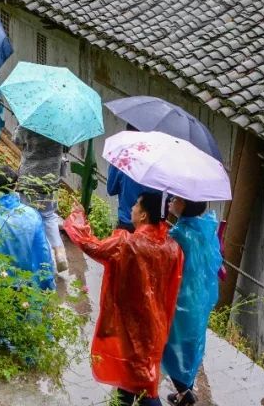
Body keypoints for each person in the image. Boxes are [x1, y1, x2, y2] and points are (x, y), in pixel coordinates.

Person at [64, 191, 184, 406]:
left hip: (130, 325)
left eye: (136, 206)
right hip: (155, 324)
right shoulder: (172, 247)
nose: (132, 209)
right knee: (134, 375)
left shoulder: (126, 243)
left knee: (144, 385)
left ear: (144, 215)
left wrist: (78, 218)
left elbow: (92, 246)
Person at [161, 197, 222, 406]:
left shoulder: (178, 235)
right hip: (199, 300)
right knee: (190, 347)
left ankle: (185, 394)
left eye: (176, 199)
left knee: (172, 348)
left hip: (181, 303)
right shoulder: (205, 229)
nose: (170, 200)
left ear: (184, 205)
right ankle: (183, 391)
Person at [14, 125, 68, 273]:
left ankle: (27, 257)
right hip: (51, 179)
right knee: (49, 216)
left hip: (29, 178)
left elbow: (16, 140)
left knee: (26, 216)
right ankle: (60, 253)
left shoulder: (30, 123)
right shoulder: (61, 126)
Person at [0, 192, 55, 291]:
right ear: (16, 184)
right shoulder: (31, 215)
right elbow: (42, 252)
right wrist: (47, 282)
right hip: (25, 285)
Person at [106, 124, 161, 231]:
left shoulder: (122, 157)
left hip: (127, 223)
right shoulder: (158, 160)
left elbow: (111, 189)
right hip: (152, 229)